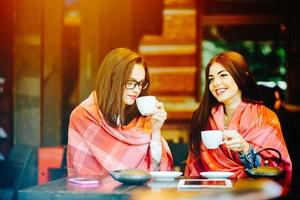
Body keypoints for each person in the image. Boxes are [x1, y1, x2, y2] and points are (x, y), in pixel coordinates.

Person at [67, 48, 173, 176]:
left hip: (140, 194)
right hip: (96, 194)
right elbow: (84, 175)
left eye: (141, 83)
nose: (137, 90)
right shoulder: (83, 117)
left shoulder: (143, 119)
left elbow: (156, 171)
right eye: (130, 82)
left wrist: (156, 130)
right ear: (112, 79)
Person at [185, 51, 292, 178]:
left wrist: (246, 149)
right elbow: (194, 165)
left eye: (223, 75)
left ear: (242, 76)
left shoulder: (264, 117)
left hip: (250, 193)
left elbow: (277, 168)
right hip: (208, 191)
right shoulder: (203, 117)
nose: (216, 83)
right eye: (211, 79)